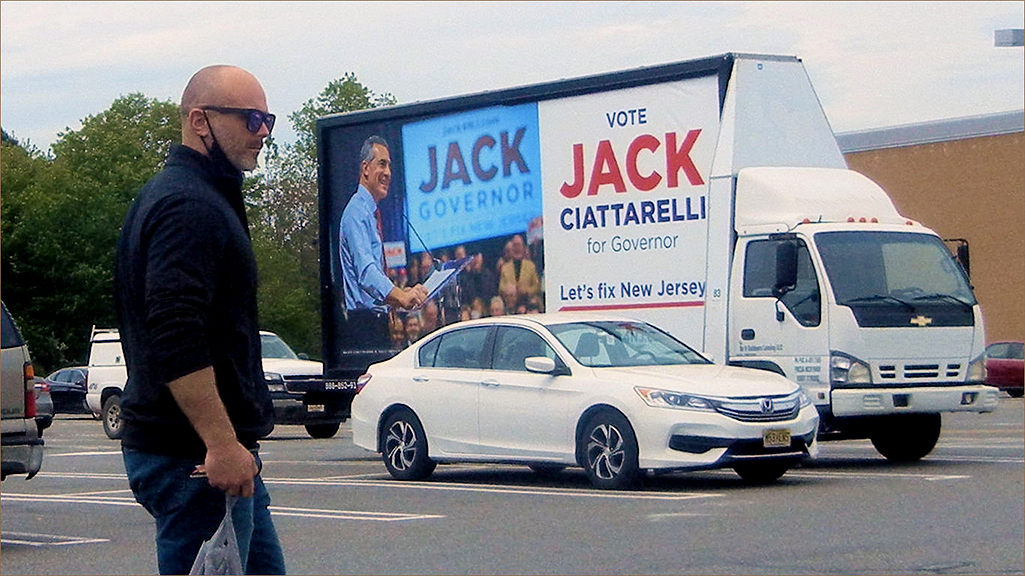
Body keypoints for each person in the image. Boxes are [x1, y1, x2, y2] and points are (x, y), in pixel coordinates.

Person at [114, 65, 285, 575]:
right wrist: (220, 443)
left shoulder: (200, 198)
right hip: (195, 463)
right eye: (251, 119)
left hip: (217, 461)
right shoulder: (187, 206)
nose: (264, 132)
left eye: (269, 120)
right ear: (199, 121)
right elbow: (175, 332)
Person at [339, 136, 429, 350]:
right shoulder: (355, 214)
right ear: (365, 168)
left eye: (389, 166)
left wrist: (404, 293)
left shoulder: (370, 214)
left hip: (376, 324)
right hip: (364, 327)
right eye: (382, 164)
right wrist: (400, 297)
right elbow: (367, 273)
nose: (388, 173)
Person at [498, 234, 541, 310]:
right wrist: (508, 289)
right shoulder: (505, 268)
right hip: (511, 304)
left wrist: (526, 290)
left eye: (519, 245)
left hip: (527, 303)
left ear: (523, 247)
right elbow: (501, 288)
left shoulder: (530, 266)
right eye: (515, 245)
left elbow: (536, 286)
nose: (517, 248)